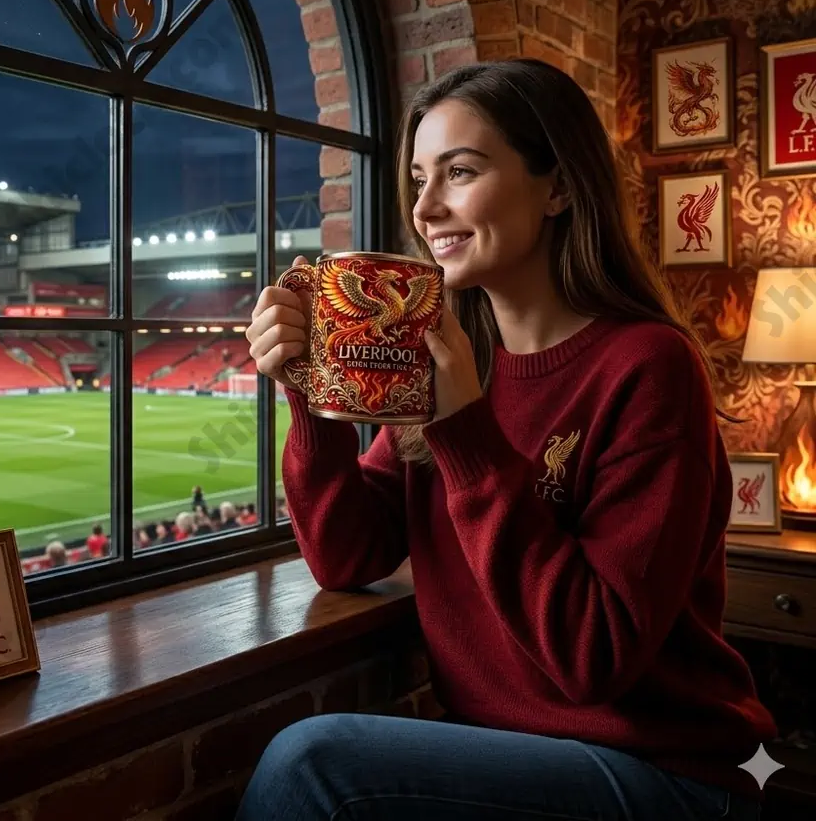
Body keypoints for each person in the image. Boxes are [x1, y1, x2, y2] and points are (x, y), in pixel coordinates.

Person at [238, 60, 776, 821]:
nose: (425, 208)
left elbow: (595, 658)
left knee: (314, 767)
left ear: (556, 187)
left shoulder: (649, 367)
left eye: (460, 172)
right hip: (511, 758)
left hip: (667, 772)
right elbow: (345, 555)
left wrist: (467, 437)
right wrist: (311, 391)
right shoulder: (457, 361)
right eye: (419, 178)